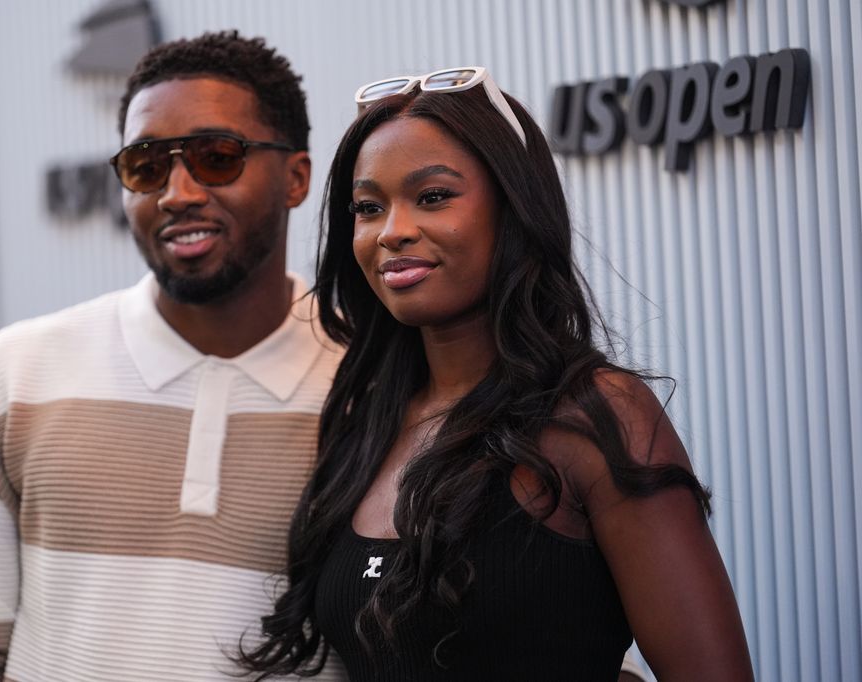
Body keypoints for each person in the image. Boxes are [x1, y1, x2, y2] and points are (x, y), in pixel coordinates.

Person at [240, 67, 754, 680]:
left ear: (513, 207)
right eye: (369, 207)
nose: (393, 231)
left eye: (433, 197)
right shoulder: (365, 423)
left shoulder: (595, 415)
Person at [0, 31, 346, 681]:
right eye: (146, 165)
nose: (178, 192)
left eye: (217, 157)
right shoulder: (13, 379)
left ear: (297, 178)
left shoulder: (379, 387)